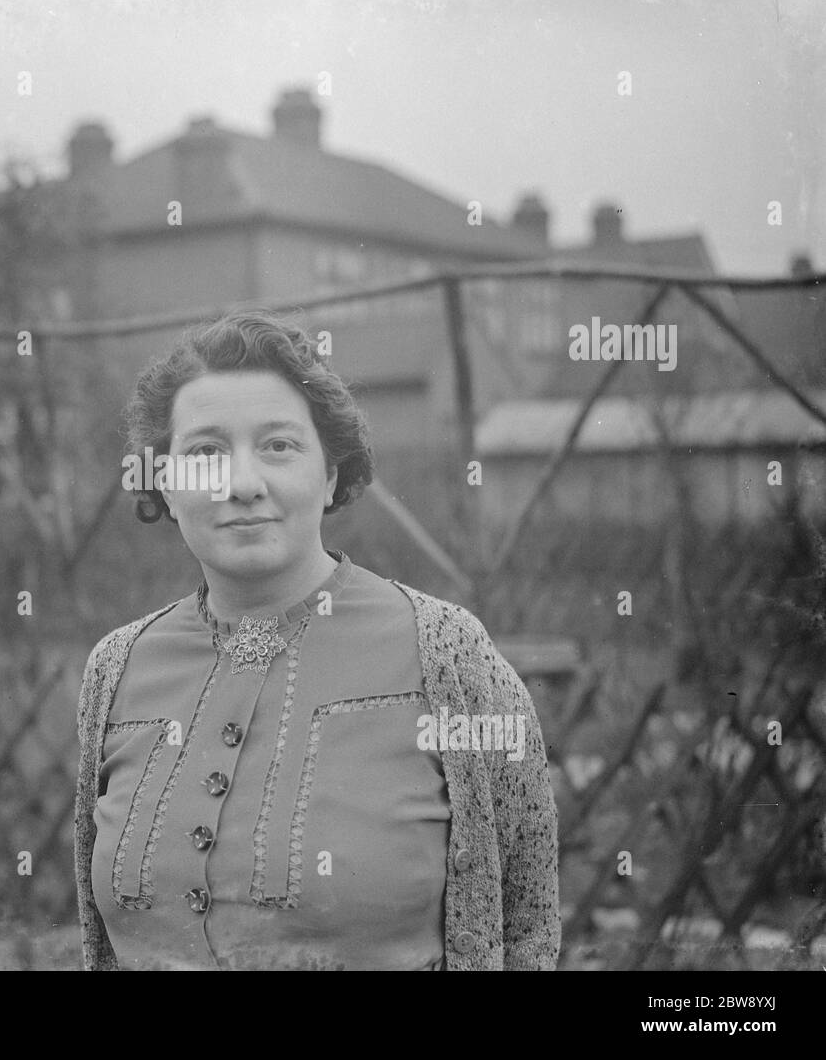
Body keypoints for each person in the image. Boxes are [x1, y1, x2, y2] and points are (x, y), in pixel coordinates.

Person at [73, 311, 559, 970]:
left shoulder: (447, 653)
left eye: (278, 445)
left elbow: (526, 920)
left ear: (331, 473)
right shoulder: (115, 669)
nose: (242, 482)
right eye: (205, 452)